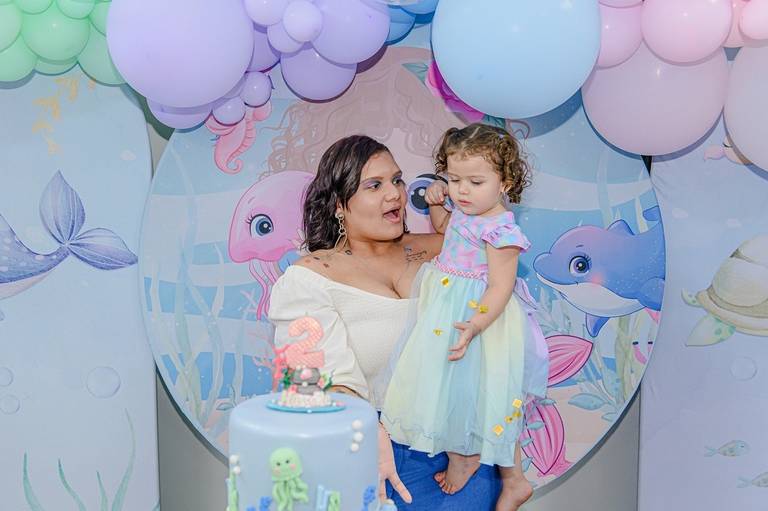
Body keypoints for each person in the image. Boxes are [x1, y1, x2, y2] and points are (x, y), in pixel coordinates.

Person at [268, 134, 512, 509]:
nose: (395, 194)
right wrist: (367, 428)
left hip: (461, 451)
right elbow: (315, 378)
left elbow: (500, 286)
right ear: (339, 204)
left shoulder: (447, 248)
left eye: (397, 180)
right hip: (368, 451)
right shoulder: (311, 277)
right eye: (375, 185)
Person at [380, 124, 548, 511]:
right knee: (449, 386)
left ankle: (478, 462)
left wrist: (475, 324)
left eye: (475, 182)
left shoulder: (501, 229)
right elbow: (445, 227)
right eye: (454, 180)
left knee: (484, 393)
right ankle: (498, 471)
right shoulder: (465, 212)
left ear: (505, 183)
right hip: (448, 314)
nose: (462, 191)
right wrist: (438, 204)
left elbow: (500, 287)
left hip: (481, 319)